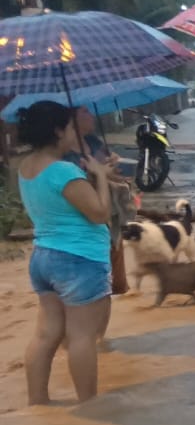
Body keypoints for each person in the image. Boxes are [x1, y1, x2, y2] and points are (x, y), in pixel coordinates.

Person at [16, 100, 113, 404]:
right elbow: (99, 213)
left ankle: (38, 403)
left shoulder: (26, 166)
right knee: (82, 336)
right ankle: (89, 404)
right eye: (70, 126)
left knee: (46, 335)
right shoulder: (63, 170)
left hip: (44, 258)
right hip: (79, 260)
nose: (74, 132)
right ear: (58, 130)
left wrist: (93, 174)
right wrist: (102, 179)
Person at [67, 106, 133, 297]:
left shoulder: (93, 142)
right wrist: (97, 174)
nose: (91, 116)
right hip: (87, 215)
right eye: (85, 112)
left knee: (116, 261)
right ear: (71, 119)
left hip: (110, 210)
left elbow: (109, 171)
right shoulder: (65, 156)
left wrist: (113, 163)